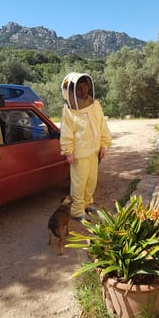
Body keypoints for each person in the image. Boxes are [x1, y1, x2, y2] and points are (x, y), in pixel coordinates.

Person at [60, 72, 112, 221]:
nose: (83, 90)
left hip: (93, 151)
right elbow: (66, 132)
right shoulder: (69, 110)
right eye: (79, 88)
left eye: (85, 87)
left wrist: (104, 144)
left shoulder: (95, 104)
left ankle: (88, 203)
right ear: (72, 90)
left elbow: (102, 125)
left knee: (91, 181)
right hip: (79, 154)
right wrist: (68, 152)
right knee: (79, 184)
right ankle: (77, 210)